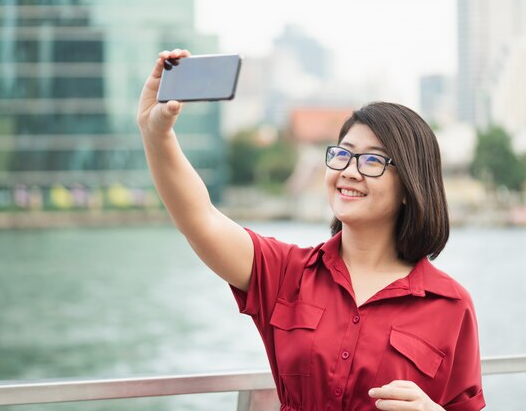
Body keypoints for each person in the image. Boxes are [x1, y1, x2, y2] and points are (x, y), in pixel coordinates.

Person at [137, 49, 485, 411]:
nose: (349, 171)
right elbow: (200, 219)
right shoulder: (288, 273)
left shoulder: (450, 305)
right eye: (343, 154)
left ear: (409, 185)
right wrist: (155, 132)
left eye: (372, 160)